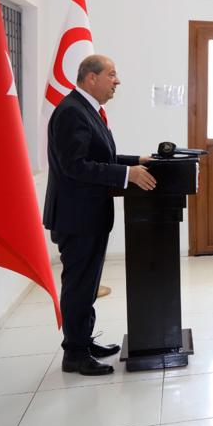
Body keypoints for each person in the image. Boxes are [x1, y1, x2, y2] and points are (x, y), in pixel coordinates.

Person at [44, 55, 156, 376]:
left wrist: (137, 161)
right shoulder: (71, 112)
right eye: (112, 74)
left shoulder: (87, 110)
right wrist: (127, 175)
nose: (117, 81)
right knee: (79, 285)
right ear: (91, 78)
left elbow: (101, 157)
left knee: (87, 285)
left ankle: (83, 341)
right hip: (77, 217)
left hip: (88, 215)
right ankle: (75, 355)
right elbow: (75, 166)